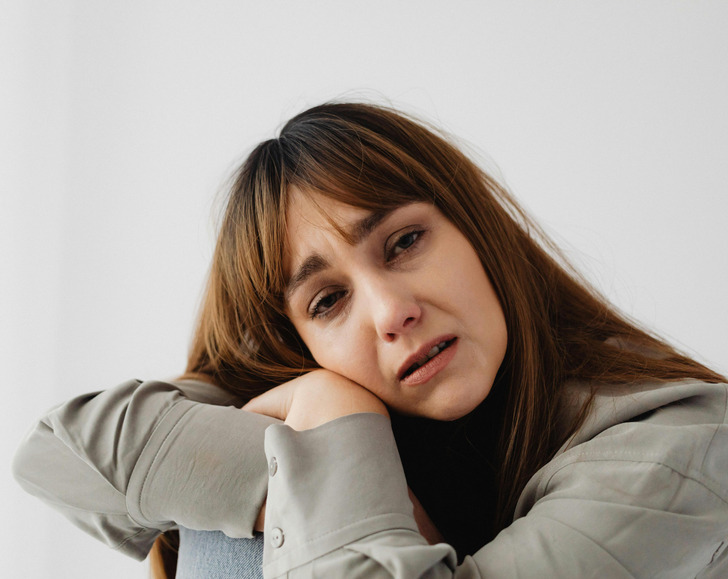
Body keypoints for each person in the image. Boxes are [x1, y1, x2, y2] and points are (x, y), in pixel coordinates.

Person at [13, 102, 728, 578]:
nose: (391, 311)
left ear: (478, 231)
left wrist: (324, 451)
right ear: (300, 343)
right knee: (236, 524)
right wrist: (334, 412)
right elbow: (56, 454)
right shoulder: (342, 388)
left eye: (404, 241)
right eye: (328, 301)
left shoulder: (675, 451)